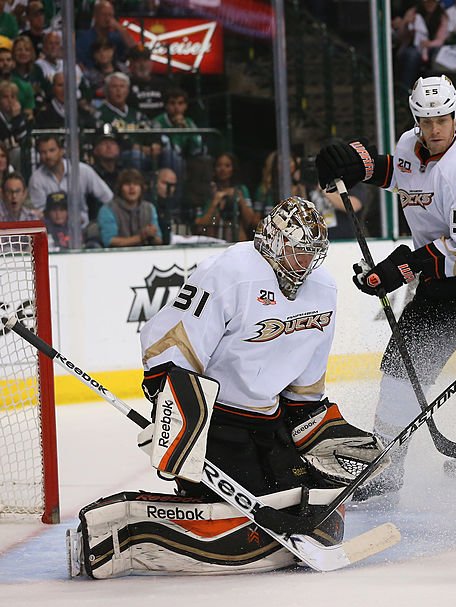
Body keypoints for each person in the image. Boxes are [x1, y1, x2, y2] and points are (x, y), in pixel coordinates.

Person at [68, 196, 383, 578]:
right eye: (296, 250)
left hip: (271, 421)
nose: (304, 261)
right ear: (272, 240)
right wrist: (174, 417)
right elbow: (171, 345)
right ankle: (125, 527)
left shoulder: (323, 288)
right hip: (216, 424)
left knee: (305, 503)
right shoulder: (229, 272)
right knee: (230, 512)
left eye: (311, 253)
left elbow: (306, 384)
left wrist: (317, 426)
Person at [314, 75, 456, 503]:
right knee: (402, 366)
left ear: (455, 115)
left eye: (443, 120)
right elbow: (402, 171)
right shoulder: (412, 143)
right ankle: (385, 467)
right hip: (446, 273)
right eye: (426, 121)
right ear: (416, 119)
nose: (435, 129)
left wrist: (402, 267)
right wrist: (356, 165)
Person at [28, 135, 113, 227]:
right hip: (51, 232)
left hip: (83, 229)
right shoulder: (36, 179)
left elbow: (108, 198)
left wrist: (104, 221)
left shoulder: (82, 170)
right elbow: (40, 213)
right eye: (43, 152)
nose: (48, 156)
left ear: (61, 151)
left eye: (52, 150)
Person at [97, 168, 163, 247]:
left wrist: (152, 235)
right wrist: (141, 237)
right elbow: (110, 241)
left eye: (136, 184)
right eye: (127, 184)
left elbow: (159, 240)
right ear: (120, 188)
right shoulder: (108, 210)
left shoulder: (149, 208)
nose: (132, 187)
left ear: (141, 188)